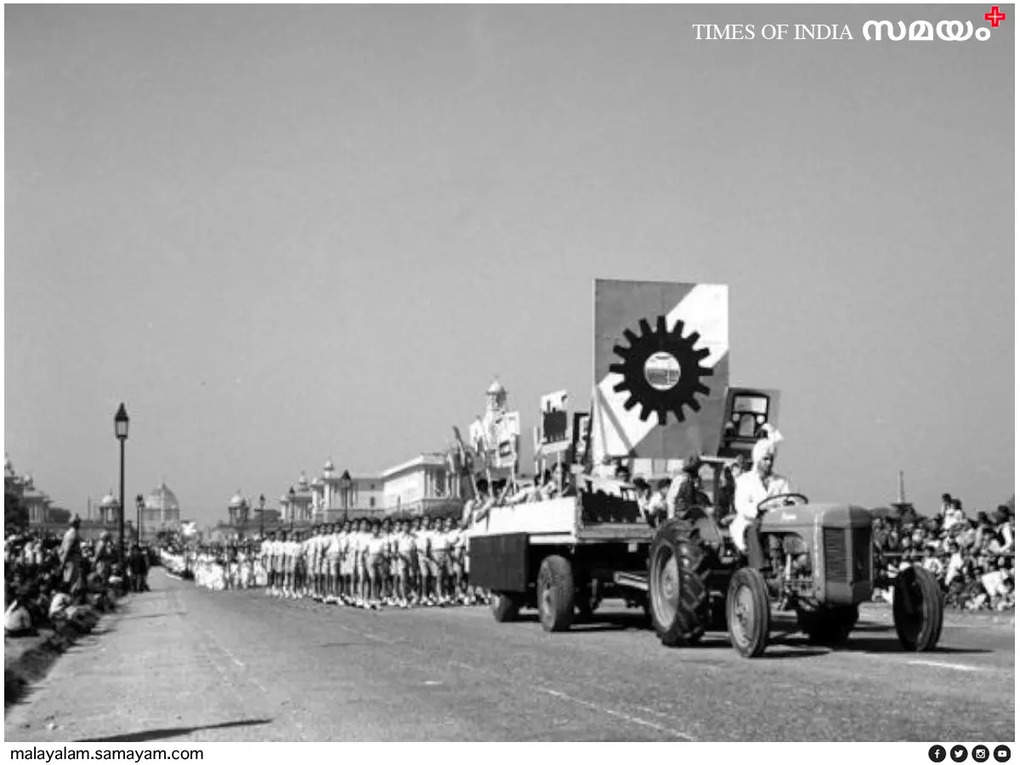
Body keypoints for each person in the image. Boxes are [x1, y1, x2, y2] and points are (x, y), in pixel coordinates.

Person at [731, 437, 792, 568]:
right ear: (758, 459)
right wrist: (759, 508)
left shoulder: (781, 481)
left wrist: (788, 505)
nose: (769, 463)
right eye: (765, 459)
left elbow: (787, 499)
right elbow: (741, 506)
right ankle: (759, 568)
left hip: (776, 520)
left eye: (771, 459)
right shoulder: (745, 480)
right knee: (755, 530)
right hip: (751, 521)